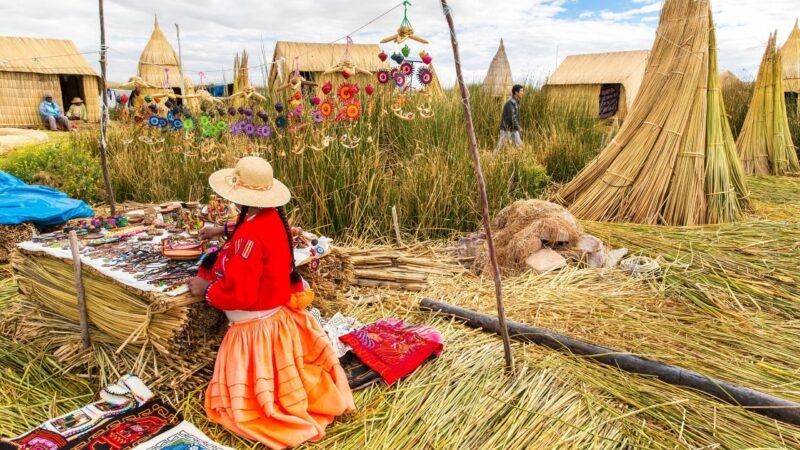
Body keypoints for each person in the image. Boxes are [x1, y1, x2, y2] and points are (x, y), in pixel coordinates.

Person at [187, 156, 354, 449]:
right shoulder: (271, 217)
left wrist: (207, 289)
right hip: (275, 318)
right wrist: (219, 231)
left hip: (255, 329)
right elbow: (248, 229)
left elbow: (242, 294)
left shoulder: (248, 238)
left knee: (255, 406)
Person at [495, 84, 524, 151]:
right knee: (500, 148)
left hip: (513, 129)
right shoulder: (511, 102)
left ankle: (520, 160)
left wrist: (516, 127)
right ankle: (490, 159)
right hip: (507, 129)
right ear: (516, 92)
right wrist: (518, 127)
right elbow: (512, 117)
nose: (523, 93)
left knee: (520, 146)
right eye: (521, 91)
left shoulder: (515, 102)